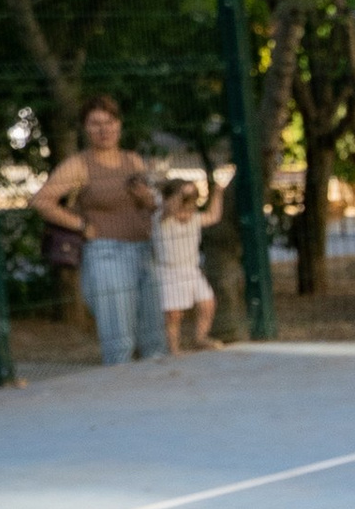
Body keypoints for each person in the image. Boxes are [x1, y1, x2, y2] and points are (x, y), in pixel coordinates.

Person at [33, 99, 162, 365]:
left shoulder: (134, 160)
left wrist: (148, 199)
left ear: (119, 124)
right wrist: (81, 226)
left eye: (109, 122)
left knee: (155, 338)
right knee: (120, 341)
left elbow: (152, 205)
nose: (104, 130)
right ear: (85, 128)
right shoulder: (79, 165)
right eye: (96, 124)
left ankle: (157, 396)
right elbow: (41, 201)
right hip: (107, 254)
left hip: (145, 250)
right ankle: (117, 395)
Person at [155, 169, 227, 353]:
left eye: (191, 203)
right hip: (169, 272)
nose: (187, 209)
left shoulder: (195, 219)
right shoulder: (162, 219)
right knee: (173, 314)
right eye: (183, 202)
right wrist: (180, 192)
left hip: (191, 270)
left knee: (207, 303)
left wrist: (218, 191)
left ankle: (200, 337)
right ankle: (174, 348)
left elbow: (213, 216)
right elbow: (170, 208)